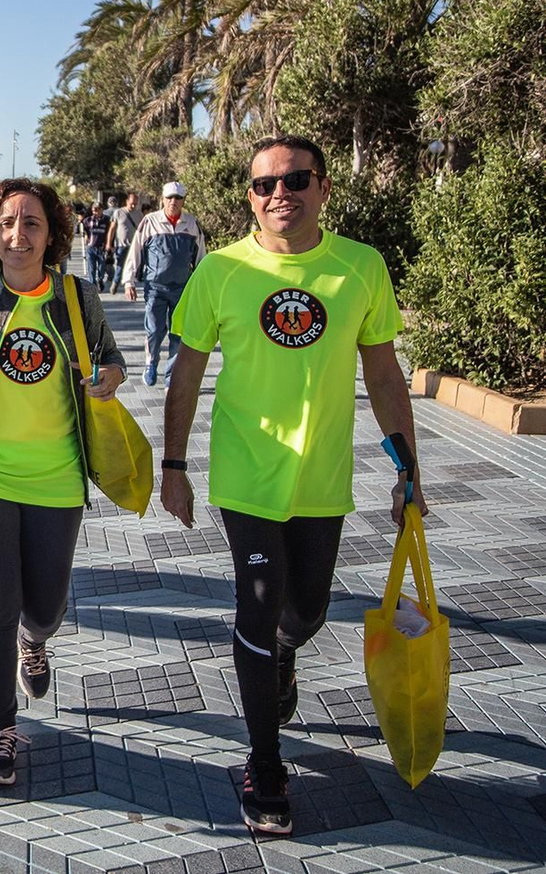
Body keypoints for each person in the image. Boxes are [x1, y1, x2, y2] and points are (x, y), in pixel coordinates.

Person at [161, 134, 419, 836]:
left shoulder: (359, 267)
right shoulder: (220, 270)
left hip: (323, 481)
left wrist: (408, 472)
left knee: (305, 611)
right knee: (261, 601)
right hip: (245, 478)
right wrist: (174, 465)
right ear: (248, 196)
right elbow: (186, 371)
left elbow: (385, 376)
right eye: (264, 184)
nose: (280, 193)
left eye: (297, 179)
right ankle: (265, 765)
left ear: (324, 188)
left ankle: (282, 656)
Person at [0, 178, 125, 787]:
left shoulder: (75, 296)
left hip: (57, 479)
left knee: (46, 605)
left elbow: (112, 358)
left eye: (31, 223)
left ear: (51, 234)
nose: (18, 234)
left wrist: (109, 376)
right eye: (7, 223)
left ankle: (38, 641)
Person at [122, 180, 206, 386]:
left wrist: (205, 286)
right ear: (162, 199)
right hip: (155, 288)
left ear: (184, 200)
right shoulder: (150, 222)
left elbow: (202, 257)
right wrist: (128, 281)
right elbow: (136, 250)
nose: (173, 202)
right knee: (155, 331)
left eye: (178, 198)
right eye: (169, 197)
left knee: (178, 334)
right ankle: (151, 364)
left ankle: (172, 375)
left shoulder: (191, 224)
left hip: (182, 289)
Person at [104, 192, 143, 295]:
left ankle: (130, 285)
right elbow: (112, 229)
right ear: (127, 202)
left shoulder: (139, 214)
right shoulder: (118, 213)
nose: (133, 206)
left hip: (134, 245)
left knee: (134, 266)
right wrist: (109, 243)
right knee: (121, 265)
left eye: (135, 204)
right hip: (121, 245)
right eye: (131, 203)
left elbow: (142, 230)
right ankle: (115, 283)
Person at [81, 202, 111, 287]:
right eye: (93, 210)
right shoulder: (88, 220)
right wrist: (86, 236)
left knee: (102, 267)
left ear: (102, 210)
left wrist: (109, 244)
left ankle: (100, 279)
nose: (95, 212)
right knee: (91, 268)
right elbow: (84, 229)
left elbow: (110, 232)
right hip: (91, 246)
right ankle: (92, 284)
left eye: (97, 210)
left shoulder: (106, 220)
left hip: (101, 247)